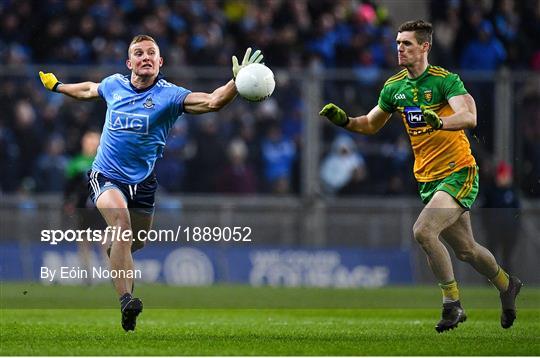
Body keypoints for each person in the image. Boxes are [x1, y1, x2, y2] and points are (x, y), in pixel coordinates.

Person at [39, 34, 263, 331]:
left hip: (143, 182)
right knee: (122, 226)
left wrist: (237, 82)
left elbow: (212, 102)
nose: (145, 57)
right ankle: (126, 302)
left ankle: (113, 248)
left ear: (160, 62)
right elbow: (88, 90)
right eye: (139, 53)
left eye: (151, 53)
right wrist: (58, 86)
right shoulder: (113, 85)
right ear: (129, 62)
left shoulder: (170, 96)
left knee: (134, 242)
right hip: (105, 175)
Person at [319, 20, 522, 333]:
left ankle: (452, 304)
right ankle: (506, 284)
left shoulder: (445, 81)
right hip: (428, 179)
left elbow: (469, 116)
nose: (400, 48)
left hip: (458, 172)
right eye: (398, 43)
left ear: (425, 46)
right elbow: (371, 124)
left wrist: (440, 123)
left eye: (408, 43)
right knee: (467, 249)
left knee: (423, 231)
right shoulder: (394, 88)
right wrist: (344, 120)